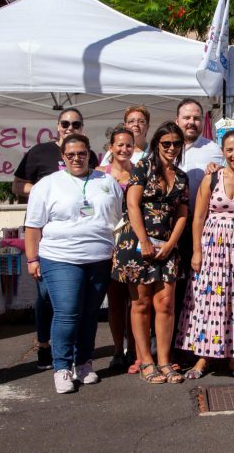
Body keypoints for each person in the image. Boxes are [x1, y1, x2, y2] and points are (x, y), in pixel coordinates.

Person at [24, 134, 123, 394]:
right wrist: (32, 258)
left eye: (82, 153)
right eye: (70, 155)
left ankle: (84, 364)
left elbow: (116, 219)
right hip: (59, 258)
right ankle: (62, 367)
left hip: (99, 259)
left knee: (90, 315)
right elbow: (33, 227)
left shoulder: (107, 181)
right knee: (67, 312)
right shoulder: (47, 185)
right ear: (63, 157)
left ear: (90, 154)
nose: (77, 158)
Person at [177, 131, 234, 378]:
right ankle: (202, 358)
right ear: (223, 153)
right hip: (212, 248)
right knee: (207, 303)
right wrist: (196, 251)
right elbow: (199, 218)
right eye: (230, 150)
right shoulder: (211, 179)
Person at [13, 107, 92, 370]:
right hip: (44, 234)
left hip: (76, 237)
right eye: (65, 123)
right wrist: (44, 191)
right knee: (46, 295)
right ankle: (44, 345)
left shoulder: (85, 154)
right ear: (57, 126)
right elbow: (16, 185)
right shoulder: (39, 152)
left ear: (81, 127)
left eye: (76, 124)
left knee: (73, 299)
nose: (70, 128)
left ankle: (74, 353)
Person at [112, 122, 189, 384]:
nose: (171, 148)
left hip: (167, 246)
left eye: (176, 143)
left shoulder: (181, 176)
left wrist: (171, 244)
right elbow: (132, 204)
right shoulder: (143, 167)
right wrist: (144, 240)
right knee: (141, 303)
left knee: (166, 303)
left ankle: (165, 361)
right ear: (157, 143)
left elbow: (182, 213)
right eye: (166, 143)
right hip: (137, 244)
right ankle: (145, 361)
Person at [174, 98, 224, 352]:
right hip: (170, 227)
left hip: (202, 227)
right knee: (171, 288)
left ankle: (192, 343)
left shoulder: (213, 149)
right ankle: (171, 344)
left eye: (196, 118)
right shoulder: (165, 146)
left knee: (195, 288)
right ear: (177, 120)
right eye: (186, 117)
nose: (191, 122)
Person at [96, 126, 136, 371]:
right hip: (109, 241)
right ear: (110, 147)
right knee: (116, 300)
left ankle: (133, 349)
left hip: (134, 242)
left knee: (136, 300)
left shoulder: (140, 173)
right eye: (119, 144)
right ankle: (116, 350)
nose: (124, 149)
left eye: (128, 145)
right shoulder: (99, 175)